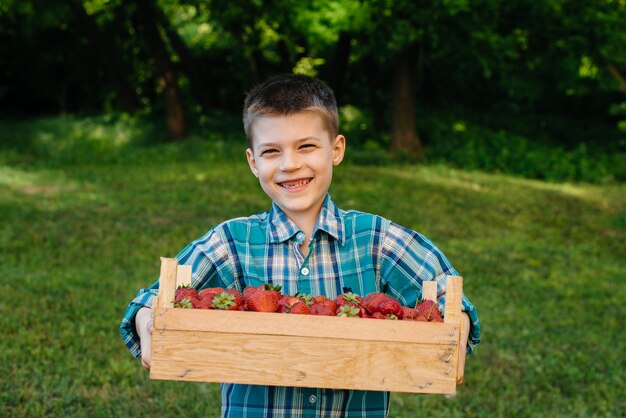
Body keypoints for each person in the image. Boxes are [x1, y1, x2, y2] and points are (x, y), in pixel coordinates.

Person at [120, 73, 481, 417]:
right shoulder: (232, 242)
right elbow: (154, 300)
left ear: (336, 149)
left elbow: (449, 295)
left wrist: (459, 323)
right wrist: (147, 320)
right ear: (253, 162)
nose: (290, 165)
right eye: (272, 152)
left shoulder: (375, 239)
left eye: (306, 146)